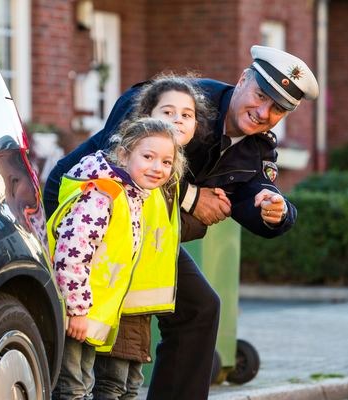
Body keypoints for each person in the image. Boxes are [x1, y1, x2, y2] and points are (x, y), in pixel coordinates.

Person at [44, 45, 319, 400]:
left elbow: (254, 196)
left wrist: (276, 209)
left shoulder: (258, 148)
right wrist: (192, 198)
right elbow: (126, 162)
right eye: (260, 95)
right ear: (242, 80)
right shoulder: (176, 101)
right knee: (82, 329)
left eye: (278, 108)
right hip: (89, 215)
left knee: (200, 309)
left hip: (146, 232)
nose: (264, 112)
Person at [91, 73, 223, 400]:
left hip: (139, 309)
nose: (178, 119)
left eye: (187, 114)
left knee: (126, 387)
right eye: (168, 112)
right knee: (107, 386)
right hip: (115, 304)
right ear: (146, 114)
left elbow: (165, 230)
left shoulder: (166, 175)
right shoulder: (133, 174)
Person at [49, 117, 186, 400]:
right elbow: (71, 254)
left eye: (166, 161)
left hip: (90, 314)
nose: (157, 168)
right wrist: (77, 310)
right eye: (148, 157)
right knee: (72, 389)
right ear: (124, 154)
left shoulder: (133, 195)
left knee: (82, 385)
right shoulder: (102, 196)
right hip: (75, 311)